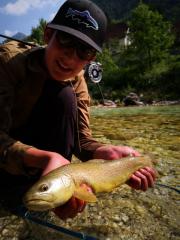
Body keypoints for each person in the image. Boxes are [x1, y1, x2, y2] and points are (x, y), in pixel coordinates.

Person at [0, 0, 156, 220]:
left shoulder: (77, 81)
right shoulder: (8, 62)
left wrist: (104, 152)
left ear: (92, 57)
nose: (71, 58)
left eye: (85, 51)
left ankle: (53, 193)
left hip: (50, 173)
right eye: (65, 40)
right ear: (48, 35)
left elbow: (81, 140)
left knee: (65, 97)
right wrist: (43, 159)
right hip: (11, 160)